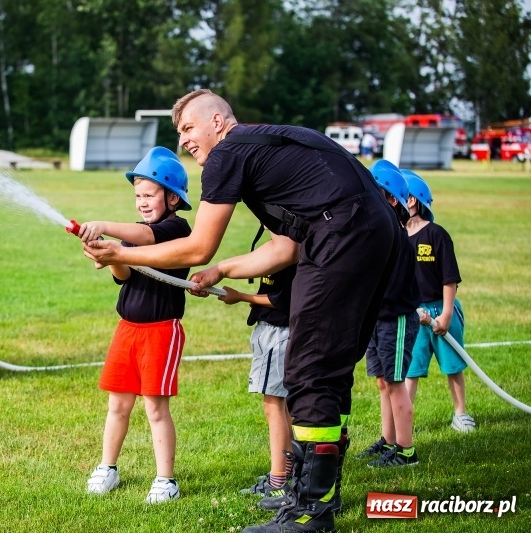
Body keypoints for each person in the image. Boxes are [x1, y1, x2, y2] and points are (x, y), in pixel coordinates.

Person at [83, 89, 400, 533]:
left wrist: (123, 254)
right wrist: (221, 271)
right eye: (179, 133)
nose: (185, 141)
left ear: (217, 122)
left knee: (307, 368)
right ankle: (312, 494)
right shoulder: (260, 147)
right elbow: (285, 247)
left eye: (189, 128)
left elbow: (197, 245)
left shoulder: (227, 154)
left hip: (343, 236)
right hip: (377, 233)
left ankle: (310, 512)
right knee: (329, 368)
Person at [79, 146, 192, 504]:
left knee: (155, 408)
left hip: (161, 331)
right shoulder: (135, 233)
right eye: (137, 196)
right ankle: (108, 468)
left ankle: (166, 481)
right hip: (127, 330)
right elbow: (124, 275)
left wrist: (106, 228)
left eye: (149, 194)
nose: (141, 202)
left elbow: (146, 239)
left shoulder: (177, 228)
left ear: (172, 198)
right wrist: (109, 255)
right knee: (118, 405)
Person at [204, 249, 297, 509]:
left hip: (278, 332)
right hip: (274, 330)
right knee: (282, 405)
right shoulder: (277, 245)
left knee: (274, 405)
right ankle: (287, 471)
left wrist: (241, 296)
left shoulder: (291, 249)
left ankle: (278, 482)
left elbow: (285, 299)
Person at [355, 160, 421, 467]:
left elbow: (390, 291)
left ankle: (406, 451)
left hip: (394, 320)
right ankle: (389, 441)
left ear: (392, 200)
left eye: (375, 193)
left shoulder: (398, 240)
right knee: (383, 382)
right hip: (377, 321)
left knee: (395, 384)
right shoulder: (379, 237)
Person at [401, 169, 474, 432]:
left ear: (411, 200)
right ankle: (403, 420)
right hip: (413, 314)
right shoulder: (397, 238)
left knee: (453, 365)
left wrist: (445, 315)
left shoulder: (436, 235)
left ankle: (461, 413)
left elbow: (449, 279)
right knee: (410, 370)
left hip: (440, 309)